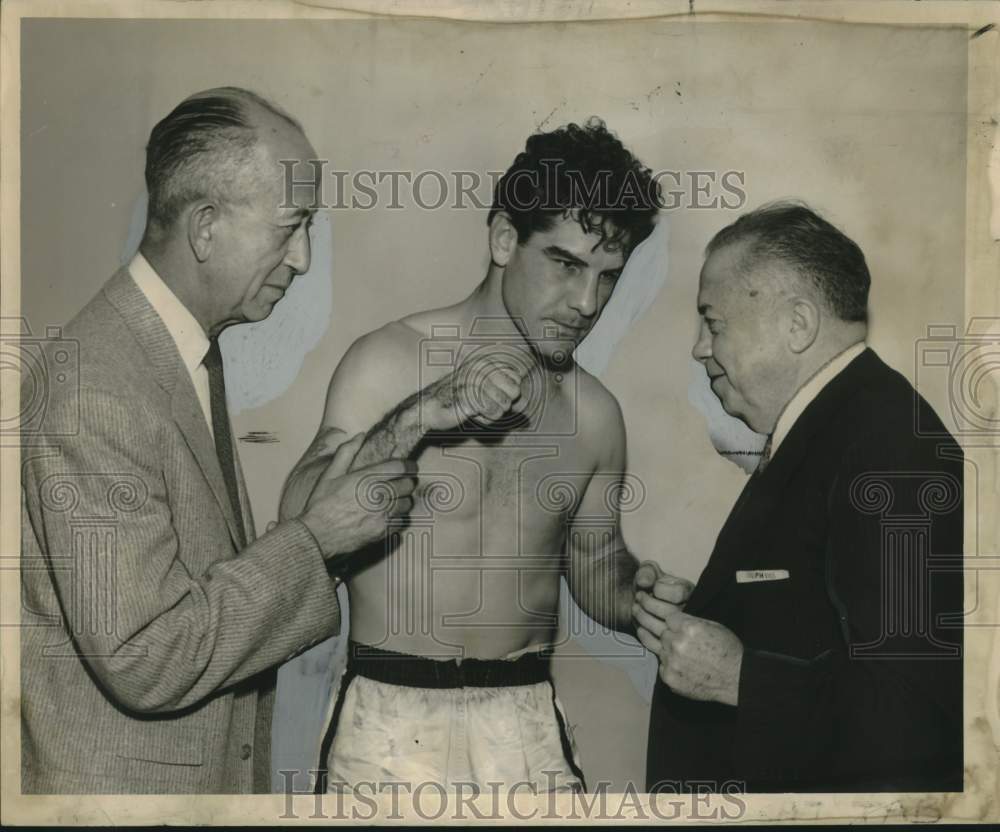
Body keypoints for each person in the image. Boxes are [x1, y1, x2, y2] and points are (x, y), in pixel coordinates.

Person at [20, 87, 417, 794]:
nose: (301, 258)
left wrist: (310, 531)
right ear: (205, 228)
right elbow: (145, 655)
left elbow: (192, 589)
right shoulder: (98, 387)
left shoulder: (176, 353)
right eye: (290, 227)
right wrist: (315, 540)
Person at [279, 118, 673, 792]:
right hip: (389, 719)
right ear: (502, 238)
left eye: (609, 276)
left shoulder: (596, 416)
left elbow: (595, 565)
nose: (586, 304)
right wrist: (423, 415)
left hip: (522, 718)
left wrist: (642, 597)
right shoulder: (389, 361)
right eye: (565, 264)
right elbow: (299, 527)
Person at [637, 202, 963, 792]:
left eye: (713, 322)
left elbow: (917, 710)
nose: (698, 349)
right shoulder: (836, 426)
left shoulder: (888, 445)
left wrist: (736, 677)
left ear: (797, 325)